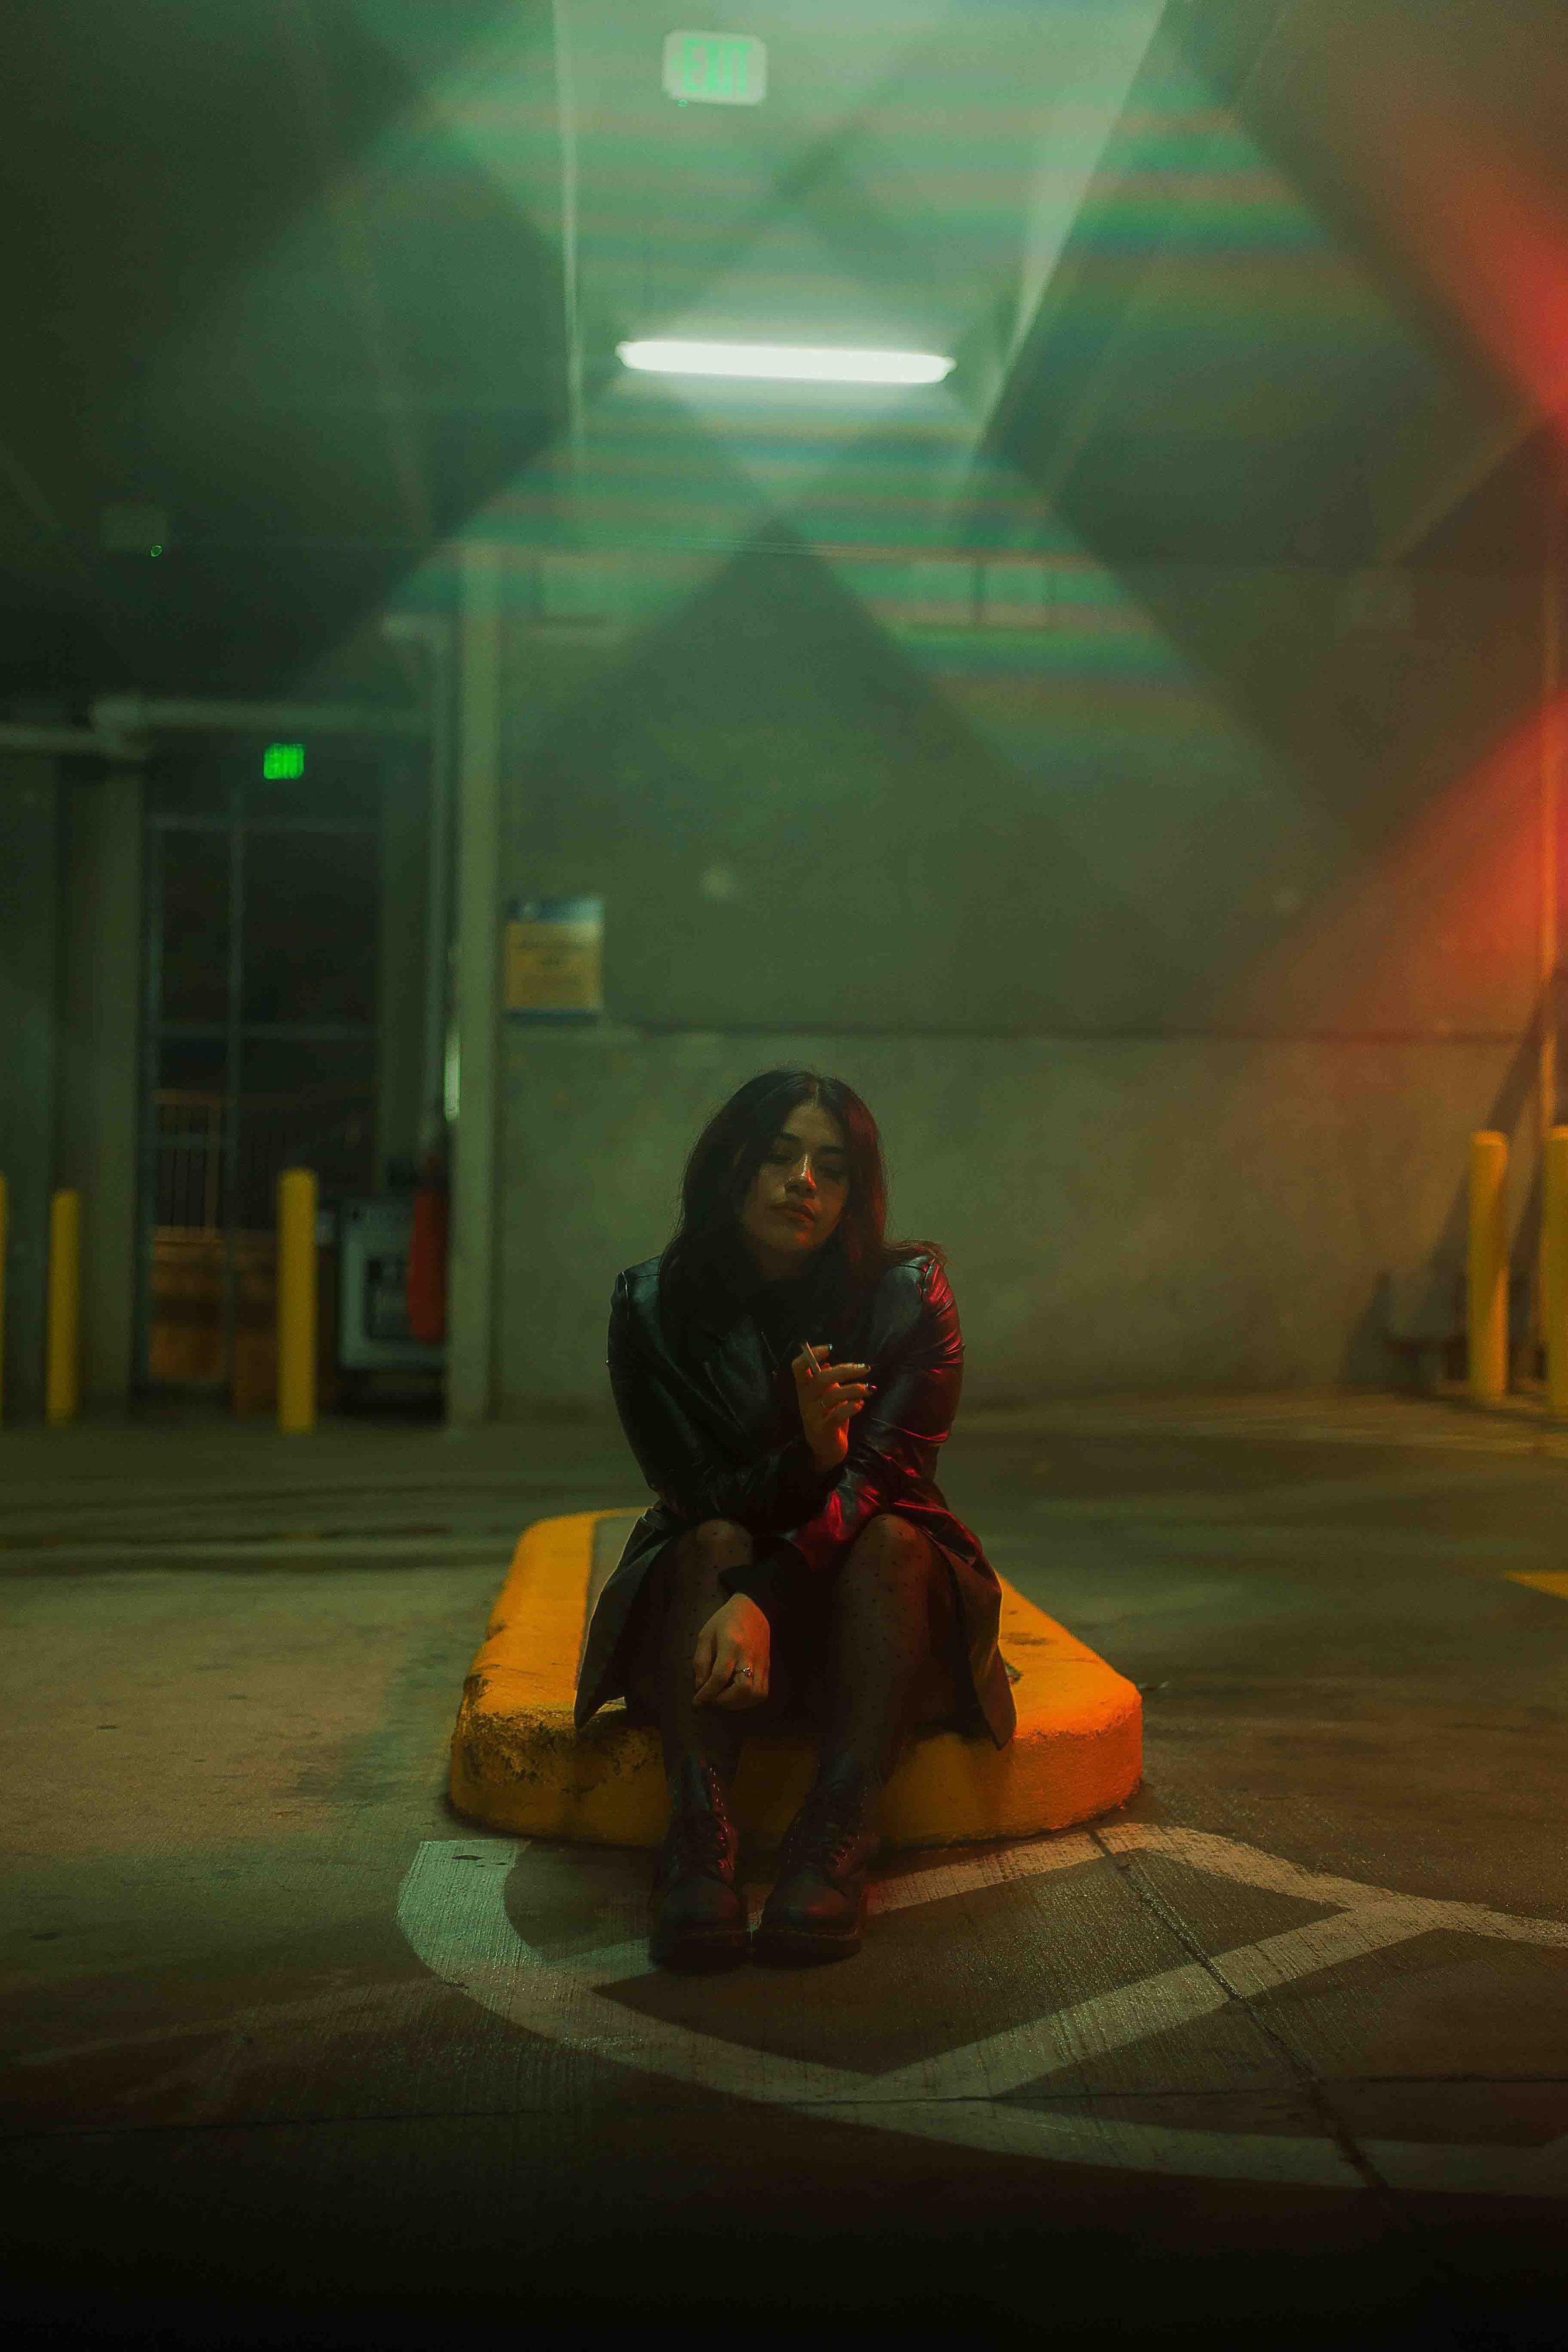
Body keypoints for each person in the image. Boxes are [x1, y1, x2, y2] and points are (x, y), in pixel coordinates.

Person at [575, 1069, 1015, 1971]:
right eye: (778, 1156)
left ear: (857, 1192)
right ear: (729, 1165)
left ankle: (838, 1835)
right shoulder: (650, 1308)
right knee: (707, 1541)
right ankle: (698, 1840)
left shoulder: (911, 1296)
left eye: (831, 1166)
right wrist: (808, 1458)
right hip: (713, 1622)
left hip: (873, 1616)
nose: (803, 1181)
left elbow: (886, 1482)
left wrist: (768, 1595)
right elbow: (695, 1489)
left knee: (895, 1537)